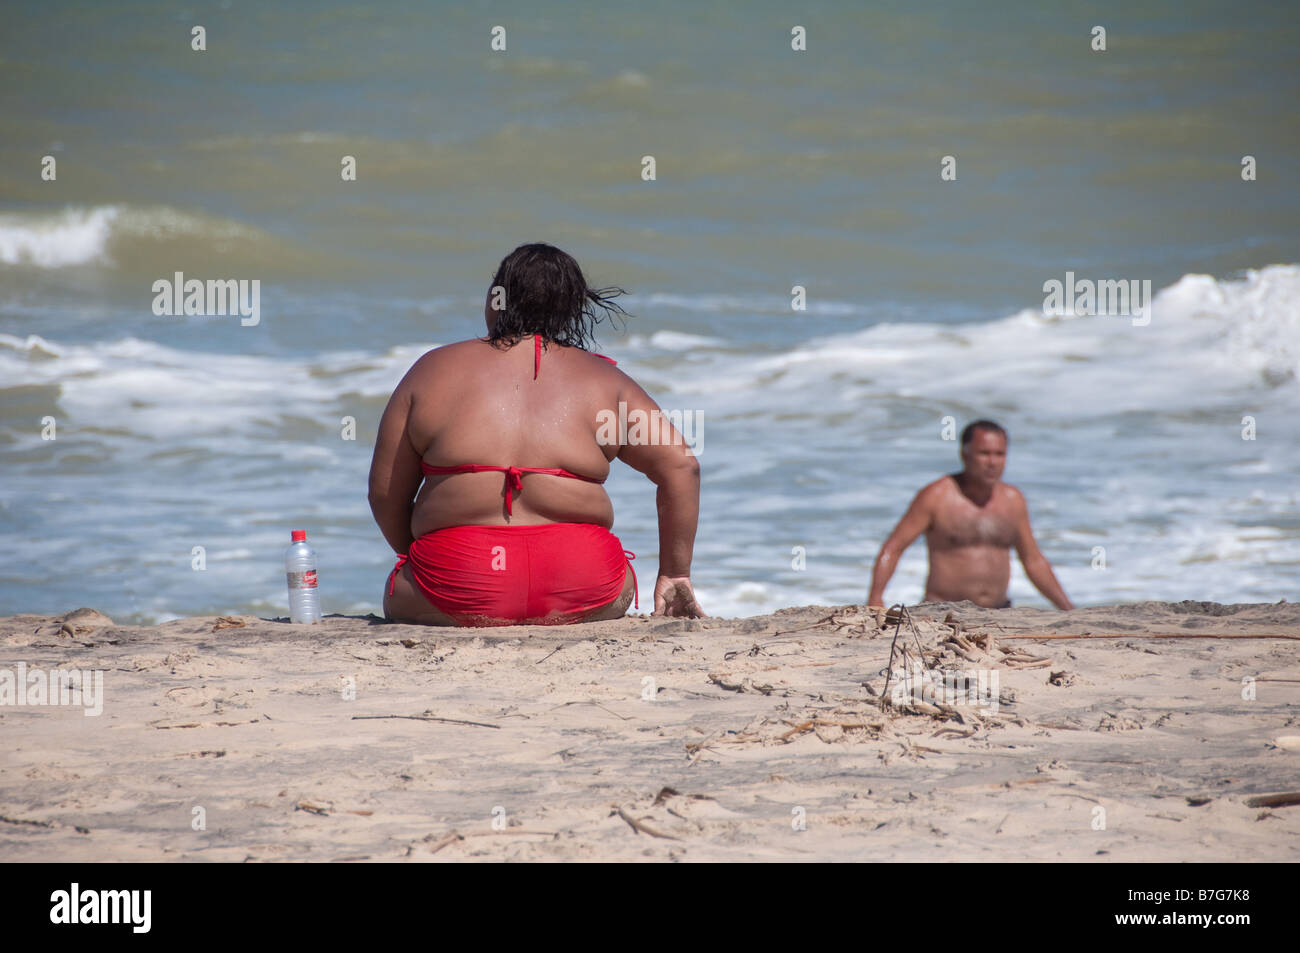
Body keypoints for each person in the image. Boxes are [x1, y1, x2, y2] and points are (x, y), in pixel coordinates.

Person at [370, 243, 705, 626]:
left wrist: (430, 557)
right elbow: (682, 467)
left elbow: (384, 493)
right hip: (583, 583)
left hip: (457, 584)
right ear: (572, 311)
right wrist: (675, 573)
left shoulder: (431, 371)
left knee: (400, 590)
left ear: (496, 300)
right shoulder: (605, 384)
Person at [867, 420, 1073, 610]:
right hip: (942, 612)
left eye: (999, 454)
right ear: (964, 455)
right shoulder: (937, 496)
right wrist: (876, 599)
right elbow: (893, 549)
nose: (992, 462)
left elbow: (1033, 560)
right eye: (984, 453)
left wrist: (1068, 609)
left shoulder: (1013, 500)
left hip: (999, 611)